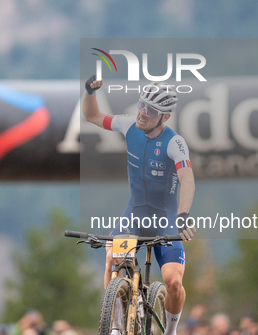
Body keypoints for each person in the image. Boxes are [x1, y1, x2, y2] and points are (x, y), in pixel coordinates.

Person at [83, 76, 196, 335]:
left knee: (173, 282)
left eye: (151, 110)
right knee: (113, 257)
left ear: (165, 117)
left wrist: (182, 214)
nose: (143, 113)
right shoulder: (128, 124)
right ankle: (115, 325)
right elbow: (92, 116)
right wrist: (89, 92)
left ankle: (170, 330)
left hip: (165, 220)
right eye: (142, 105)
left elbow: (187, 180)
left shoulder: (174, 143)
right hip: (135, 216)